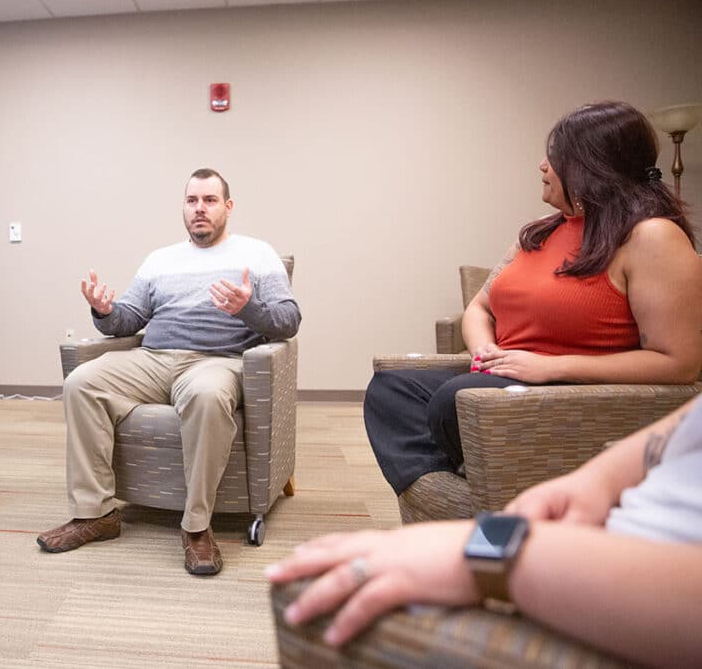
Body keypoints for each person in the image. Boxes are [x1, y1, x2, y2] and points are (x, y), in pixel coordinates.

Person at [364, 100, 702, 496]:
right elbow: (480, 306)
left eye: (555, 157)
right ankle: (466, 497)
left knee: (452, 400)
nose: (543, 166)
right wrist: (485, 350)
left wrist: (551, 367)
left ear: (593, 166)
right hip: (507, 374)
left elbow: (678, 364)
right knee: (391, 389)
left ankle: (487, 501)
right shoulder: (539, 232)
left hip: (571, 389)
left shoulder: (652, 236)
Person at [266, 391, 702, 668]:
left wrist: (487, 553)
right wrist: (597, 478)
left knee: (325, 589)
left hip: (632, 602)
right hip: (594, 541)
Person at [37, 167, 302, 575]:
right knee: (81, 382)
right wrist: (104, 311)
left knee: (208, 396)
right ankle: (96, 514)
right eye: (192, 200)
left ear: (227, 207)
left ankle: (197, 528)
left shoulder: (257, 254)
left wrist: (247, 308)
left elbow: (289, 320)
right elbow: (128, 319)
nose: (200, 209)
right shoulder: (160, 260)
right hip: (154, 358)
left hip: (217, 360)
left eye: (210, 201)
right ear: (183, 207)